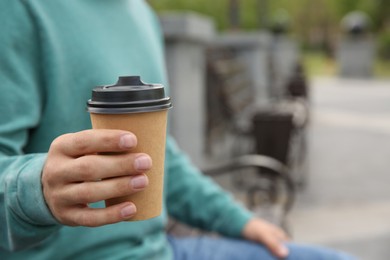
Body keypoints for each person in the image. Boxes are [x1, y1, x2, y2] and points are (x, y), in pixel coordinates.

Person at [0, 0, 355, 259]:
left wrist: (239, 220)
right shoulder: (17, 10)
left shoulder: (139, 13)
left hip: (164, 250)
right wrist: (37, 189)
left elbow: (161, 158)